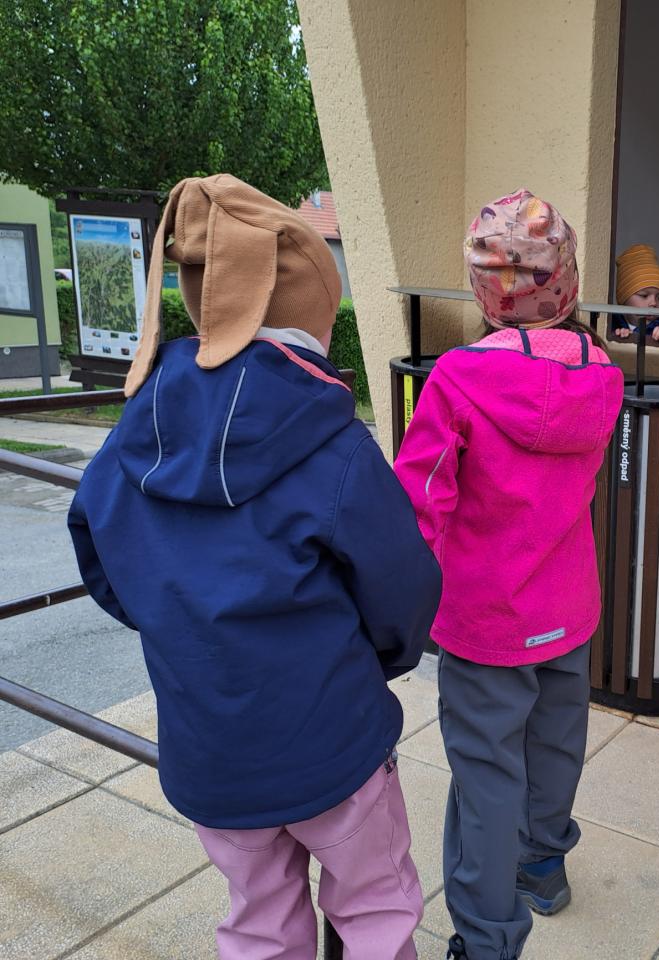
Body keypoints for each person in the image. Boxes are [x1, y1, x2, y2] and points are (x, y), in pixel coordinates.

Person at [68, 175, 442, 960]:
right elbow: (403, 588)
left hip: (210, 750)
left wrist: (176, 622)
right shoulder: (337, 445)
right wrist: (378, 660)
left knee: (259, 924)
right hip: (334, 740)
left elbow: (96, 543)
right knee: (375, 911)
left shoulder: (138, 424)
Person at [394, 189, 624, 960]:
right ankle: (544, 867)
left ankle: (488, 940)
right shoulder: (601, 372)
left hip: (487, 619)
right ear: (568, 280)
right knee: (555, 747)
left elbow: (420, 503)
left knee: (487, 778)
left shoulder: (457, 378)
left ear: (483, 289)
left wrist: (394, 603)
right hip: (569, 605)